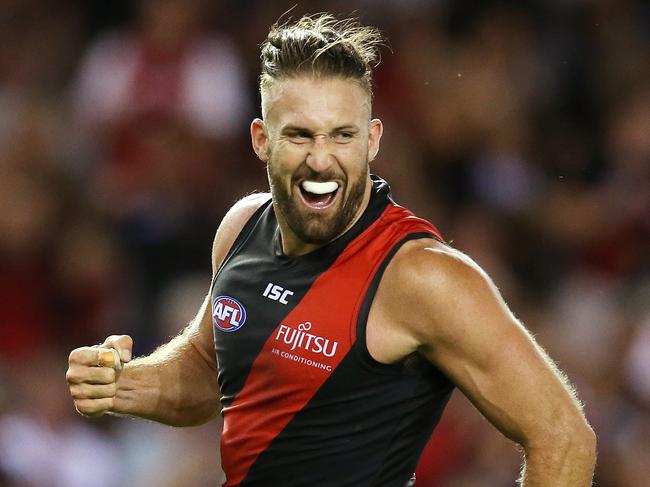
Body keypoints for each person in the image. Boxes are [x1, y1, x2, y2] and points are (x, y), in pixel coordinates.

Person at [66, 14, 597, 487]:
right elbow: (209, 371)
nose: (321, 161)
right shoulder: (242, 228)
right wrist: (120, 385)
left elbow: (564, 438)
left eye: (341, 136)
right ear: (260, 140)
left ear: (372, 140)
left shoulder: (420, 276)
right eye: (299, 135)